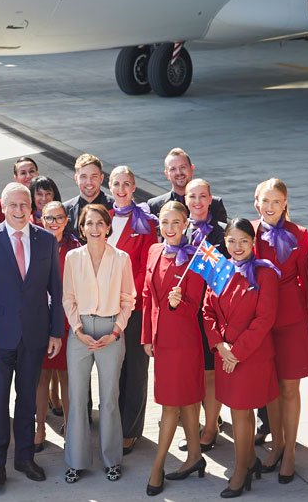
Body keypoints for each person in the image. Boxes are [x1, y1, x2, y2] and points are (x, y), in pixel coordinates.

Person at [0, 182, 64, 490]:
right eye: (13, 205)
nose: (19, 210)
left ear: (31, 207)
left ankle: (24, 457)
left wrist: (55, 331)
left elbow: (56, 289)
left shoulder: (46, 241)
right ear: (4, 208)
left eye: (24, 205)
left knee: (27, 400)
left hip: (34, 337)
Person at [202, 219, 279, 498]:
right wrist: (220, 346)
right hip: (225, 356)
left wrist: (236, 352)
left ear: (253, 242)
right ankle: (249, 462)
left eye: (244, 241)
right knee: (238, 411)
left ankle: (241, 470)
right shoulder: (220, 269)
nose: (237, 247)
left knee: (241, 412)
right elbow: (207, 310)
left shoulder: (265, 274)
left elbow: (264, 319)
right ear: (225, 240)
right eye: (232, 241)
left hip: (250, 356)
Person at [60, 204, 135, 483]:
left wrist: (116, 332)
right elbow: (68, 297)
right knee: (78, 399)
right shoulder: (72, 258)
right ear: (82, 228)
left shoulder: (121, 258)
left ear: (107, 227)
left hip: (110, 330)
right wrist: (77, 330)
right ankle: (76, 461)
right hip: (80, 331)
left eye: (99, 223)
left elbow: (128, 299)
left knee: (109, 400)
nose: (94, 229)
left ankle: (111, 459)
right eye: (89, 223)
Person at [141, 201, 207, 497]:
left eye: (175, 223)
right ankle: (195, 456)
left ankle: (158, 466)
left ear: (185, 225)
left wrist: (177, 302)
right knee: (187, 402)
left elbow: (195, 308)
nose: (169, 229)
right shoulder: (155, 251)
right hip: (161, 341)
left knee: (171, 405)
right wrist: (146, 336)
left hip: (183, 342)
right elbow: (147, 296)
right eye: (165, 223)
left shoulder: (195, 260)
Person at [252, 178, 308, 482]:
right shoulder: (248, 232)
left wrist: (306, 317)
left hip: (291, 318)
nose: (271, 207)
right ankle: (276, 443)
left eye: (277, 201)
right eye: (266, 201)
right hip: (260, 319)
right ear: (257, 202)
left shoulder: (298, 234)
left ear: (285, 204)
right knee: (270, 389)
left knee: (289, 389)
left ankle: (289, 450)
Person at [107, 165, 157, 455]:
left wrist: (124, 295)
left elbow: (146, 267)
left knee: (134, 368)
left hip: (133, 306)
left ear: (134, 186)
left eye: (127, 183)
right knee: (112, 370)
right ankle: (112, 423)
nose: (122, 189)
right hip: (104, 307)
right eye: (117, 183)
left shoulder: (145, 223)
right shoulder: (105, 218)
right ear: (109, 187)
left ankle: (131, 429)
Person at [184, 178, 225, 452]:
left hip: (209, 312)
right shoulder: (178, 228)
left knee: (210, 374)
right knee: (193, 373)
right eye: (192, 197)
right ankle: (199, 424)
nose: (197, 202)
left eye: (202, 196)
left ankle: (211, 428)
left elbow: (224, 275)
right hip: (184, 313)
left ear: (211, 199)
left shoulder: (221, 234)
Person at [34, 201, 79, 451]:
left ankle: (71, 426)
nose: (54, 223)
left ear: (66, 220)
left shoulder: (75, 248)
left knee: (66, 376)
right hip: (39, 318)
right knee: (41, 377)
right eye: (48, 218)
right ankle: (40, 427)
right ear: (41, 220)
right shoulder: (33, 244)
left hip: (67, 319)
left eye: (58, 218)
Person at [146, 148, 229, 223]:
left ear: (192, 168)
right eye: (173, 169)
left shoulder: (214, 204)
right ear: (166, 174)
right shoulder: (154, 206)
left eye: (183, 167)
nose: (179, 172)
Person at [63, 153, 113, 230]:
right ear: (76, 178)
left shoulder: (115, 207)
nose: (89, 182)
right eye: (83, 177)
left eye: (94, 176)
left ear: (101, 178)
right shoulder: (64, 210)